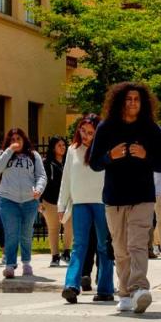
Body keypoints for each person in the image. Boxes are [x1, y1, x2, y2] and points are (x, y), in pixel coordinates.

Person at [89, 82, 161, 314]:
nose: (132, 103)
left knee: (137, 244)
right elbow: (94, 163)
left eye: (136, 99)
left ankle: (139, 289)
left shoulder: (151, 129)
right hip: (114, 197)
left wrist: (146, 155)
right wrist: (109, 157)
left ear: (143, 103)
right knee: (120, 248)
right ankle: (124, 291)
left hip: (143, 196)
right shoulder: (105, 128)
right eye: (128, 99)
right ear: (119, 101)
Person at [58, 114, 115, 303]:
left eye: (90, 132)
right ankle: (71, 286)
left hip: (102, 203)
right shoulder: (72, 150)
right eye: (83, 130)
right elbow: (66, 178)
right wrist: (62, 204)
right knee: (78, 245)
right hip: (79, 203)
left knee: (104, 246)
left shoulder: (105, 150)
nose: (85, 135)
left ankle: (106, 288)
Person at [0, 128, 46, 278]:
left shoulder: (33, 155)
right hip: (8, 199)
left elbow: (41, 176)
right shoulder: (4, 154)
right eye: (12, 139)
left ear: (24, 140)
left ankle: (26, 263)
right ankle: (10, 265)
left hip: (29, 200)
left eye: (18, 138)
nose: (16, 141)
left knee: (26, 233)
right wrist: (9, 150)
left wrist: (39, 189)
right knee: (11, 233)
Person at [42, 136, 73, 267]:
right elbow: (42, 181)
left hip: (67, 200)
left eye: (64, 145)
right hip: (50, 200)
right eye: (59, 145)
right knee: (53, 228)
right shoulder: (47, 163)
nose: (63, 148)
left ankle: (66, 252)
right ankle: (55, 256)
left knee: (69, 227)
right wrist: (39, 200)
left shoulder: (69, 162)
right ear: (53, 147)